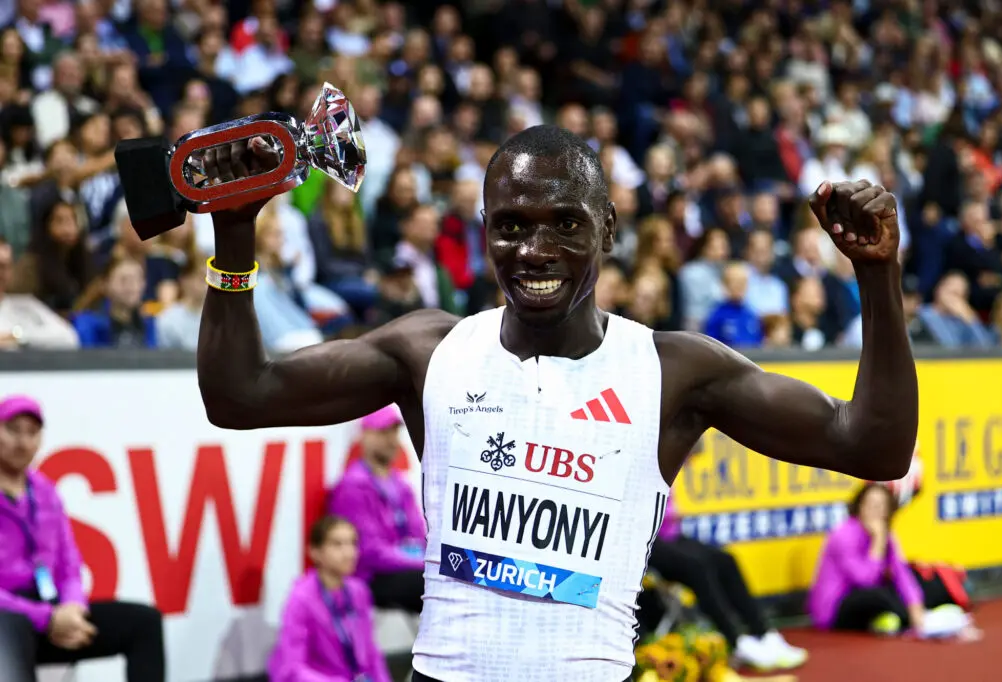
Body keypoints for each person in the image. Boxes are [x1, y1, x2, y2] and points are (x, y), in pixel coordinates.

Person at [196, 125, 918, 681]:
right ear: (485, 231)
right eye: (511, 225)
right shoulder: (429, 351)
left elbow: (874, 447)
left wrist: (878, 276)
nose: (534, 249)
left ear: (609, 228)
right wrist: (232, 235)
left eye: (565, 223)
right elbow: (239, 396)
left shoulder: (672, 369)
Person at [0, 395, 166, 682]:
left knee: (144, 623)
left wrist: (73, 607)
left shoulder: (45, 491)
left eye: (32, 433)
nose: (23, 443)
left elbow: (69, 564)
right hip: (10, 615)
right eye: (13, 430)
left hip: (54, 612)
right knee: (9, 632)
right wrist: (45, 617)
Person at [650, 488, 806, 671]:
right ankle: (735, 641)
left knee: (726, 560)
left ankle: (763, 633)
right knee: (697, 567)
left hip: (671, 535)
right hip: (648, 543)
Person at [808, 483, 978, 640]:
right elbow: (865, 581)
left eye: (881, 505)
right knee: (877, 596)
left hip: (869, 595)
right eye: (871, 504)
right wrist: (878, 542)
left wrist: (915, 607)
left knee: (918, 582)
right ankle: (912, 620)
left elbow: (902, 574)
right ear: (859, 506)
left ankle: (912, 619)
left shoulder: (887, 535)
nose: (875, 510)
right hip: (835, 608)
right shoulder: (843, 535)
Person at [267, 515, 391, 682]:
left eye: (353, 543)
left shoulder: (359, 591)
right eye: (337, 544)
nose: (349, 553)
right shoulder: (301, 599)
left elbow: (370, 652)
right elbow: (292, 669)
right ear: (315, 552)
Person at [329, 405, 427, 613]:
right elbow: (369, 553)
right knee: (433, 583)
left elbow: (420, 535)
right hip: (370, 577)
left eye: (394, 432)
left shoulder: (401, 485)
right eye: (383, 432)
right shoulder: (353, 488)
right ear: (365, 436)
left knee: (448, 578)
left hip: (405, 569)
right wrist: (422, 562)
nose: (391, 440)